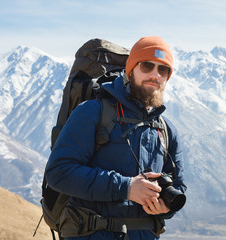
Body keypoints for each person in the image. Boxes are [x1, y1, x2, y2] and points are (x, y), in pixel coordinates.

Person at [45, 36, 186, 240]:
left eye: (163, 69)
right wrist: (126, 188)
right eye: (147, 66)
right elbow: (59, 172)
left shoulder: (165, 129)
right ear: (130, 70)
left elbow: (179, 186)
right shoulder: (93, 112)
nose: (155, 75)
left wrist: (165, 207)